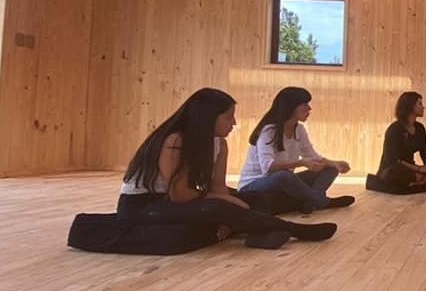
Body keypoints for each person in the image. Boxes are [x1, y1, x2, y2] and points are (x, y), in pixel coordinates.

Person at [117, 88, 337, 249]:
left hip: (178, 199)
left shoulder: (219, 142)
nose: (234, 123)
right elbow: (179, 195)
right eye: (228, 117)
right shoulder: (175, 141)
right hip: (147, 204)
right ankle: (294, 229)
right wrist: (226, 203)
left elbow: (219, 187)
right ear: (207, 118)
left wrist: (231, 201)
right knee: (218, 207)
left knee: (254, 199)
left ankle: (257, 235)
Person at [238, 87, 354, 213]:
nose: (309, 109)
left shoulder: (299, 129)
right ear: (290, 107)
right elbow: (268, 167)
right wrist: (301, 163)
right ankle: (322, 201)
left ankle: (310, 202)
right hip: (254, 185)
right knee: (283, 176)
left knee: (330, 169)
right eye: (305, 104)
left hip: (284, 182)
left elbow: (312, 156)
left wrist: (334, 163)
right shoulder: (269, 130)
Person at [376, 91, 426, 190]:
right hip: (394, 168)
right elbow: (394, 160)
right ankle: (421, 180)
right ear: (410, 106)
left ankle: (417, 180)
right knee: (390, 174)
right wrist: (420, 169)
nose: (423, 107)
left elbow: (425, 152)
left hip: (414, 170)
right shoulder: (394, 129)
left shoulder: (420, 128)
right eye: (420, 103)